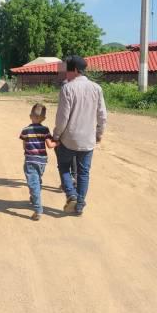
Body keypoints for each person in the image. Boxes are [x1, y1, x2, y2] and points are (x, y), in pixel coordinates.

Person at [52, 55, 107, 216]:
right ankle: (80, 204)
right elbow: (102, 115)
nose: (66, 74)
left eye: (67, 70)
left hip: (69, 138)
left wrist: (56, 135)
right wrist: (99, 133)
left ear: (75, 70)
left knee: (64, 167)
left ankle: (71, 195)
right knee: (84, 173)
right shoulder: (96, 88)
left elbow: (62, 117)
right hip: (88, 140)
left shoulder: (67, 88)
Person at [19, 103, 58, 221]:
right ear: (44, 118)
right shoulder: (45, 130)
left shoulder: (25, 130)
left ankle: (38, 209)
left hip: (30, 160)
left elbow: (24, 146)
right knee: (37, 181)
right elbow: (50, 145)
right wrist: (59, 143)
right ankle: (34, 197)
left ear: (30, 116)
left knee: (33, 183)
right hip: (42, 162)